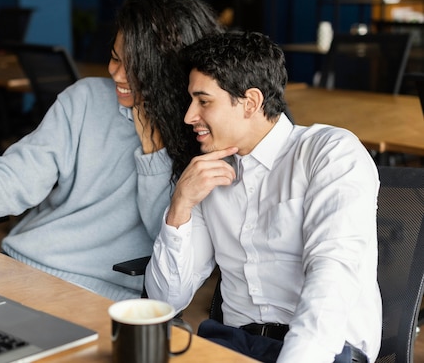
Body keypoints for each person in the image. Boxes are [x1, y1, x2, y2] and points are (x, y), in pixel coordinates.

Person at [0, 0, 223, 301]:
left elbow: (167, 238)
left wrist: (153, 153)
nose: (117, 74)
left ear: (168, 68)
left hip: (108, 297)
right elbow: (21, 174)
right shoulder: (85, 99)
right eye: (114, 58)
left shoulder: (205, 133)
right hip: (24, 268)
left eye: (135, 66)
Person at [145, 31, 381, 363]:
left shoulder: (328, 154)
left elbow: (332, 281)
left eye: (204, 101)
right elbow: (165, 298)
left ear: (251, 102)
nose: (189, 116)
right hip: (233, 344)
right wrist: (180, 205)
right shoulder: (208, 174)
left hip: (323, 350)